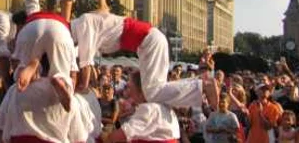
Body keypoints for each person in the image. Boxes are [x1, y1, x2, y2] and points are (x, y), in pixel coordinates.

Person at [71, 10, 218, 109]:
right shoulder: (85, 24)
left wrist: (80, 89)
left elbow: (85, 64)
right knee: (157, 89)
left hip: (148, 42)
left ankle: (203, 85)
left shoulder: (83, 25)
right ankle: (202, 82)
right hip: (148, 42)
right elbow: (80, 59)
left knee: (152, 92)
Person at [105, 71, 181, 143]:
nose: (129, 92)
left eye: (130, 87)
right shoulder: (162, 106)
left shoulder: (149, 108)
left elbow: (123, 134)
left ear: (141, 90)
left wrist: (106, 137)